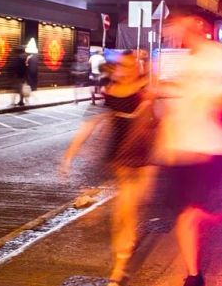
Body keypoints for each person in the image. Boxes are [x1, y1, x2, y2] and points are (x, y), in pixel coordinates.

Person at [154, 16, 222, 286]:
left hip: (214, 148)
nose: (179, 33)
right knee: (186, 213)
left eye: (183, 26)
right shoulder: (178, 62)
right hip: (181, 146)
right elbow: (165, 107)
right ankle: (193, 276)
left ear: (201, 28)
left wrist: (220, 100)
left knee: (203, 209)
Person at [61, 51, 157, 286]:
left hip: (143, 160)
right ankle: (119, 267)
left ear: (135, 68)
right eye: (120, 66)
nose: (123, 70)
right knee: (122, 214)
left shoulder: (146, 89)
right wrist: (69, 155)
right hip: (120, 160)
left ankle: (122, 259)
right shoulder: (111, 93)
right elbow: (89, 125)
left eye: (128, 65)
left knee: (130, 210)